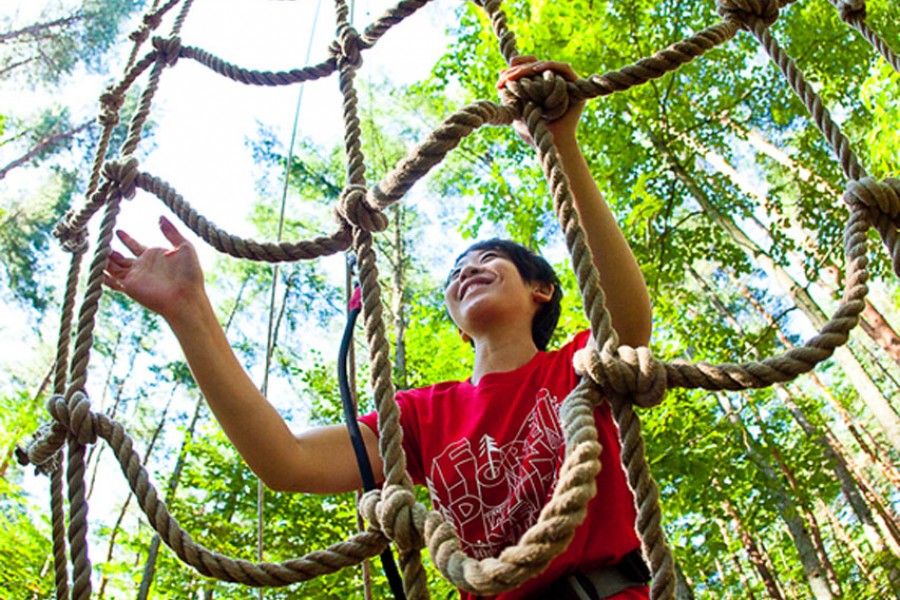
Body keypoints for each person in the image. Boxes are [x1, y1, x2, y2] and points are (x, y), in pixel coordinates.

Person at [103, 57, 652, 600]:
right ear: (459, 328)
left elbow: (625, 322)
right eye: (455, 272)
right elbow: (285, 460)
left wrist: (561, 147)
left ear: (542, 290)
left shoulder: (575, 366)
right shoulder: (421, 417)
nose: (466, 272)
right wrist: (189, 311)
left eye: (487, 259)